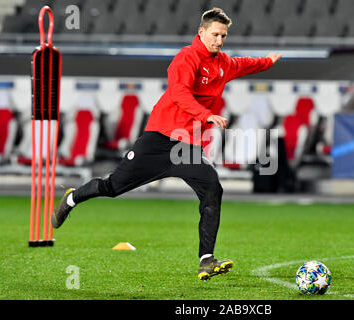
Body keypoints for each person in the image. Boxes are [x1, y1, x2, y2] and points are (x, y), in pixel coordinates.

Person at [51, 8, 282, 281]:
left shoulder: (223, 64)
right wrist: (206, 114)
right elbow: (179, 93)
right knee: (113, 187)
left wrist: (267, 60)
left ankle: (206, 259)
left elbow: (245, 64)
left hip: (187, 148)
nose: (219, 40)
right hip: (159, 139)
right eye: (215, 34)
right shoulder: (186, 58)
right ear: (202, 32)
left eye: (223, 36)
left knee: (212, 190)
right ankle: (72, 198)